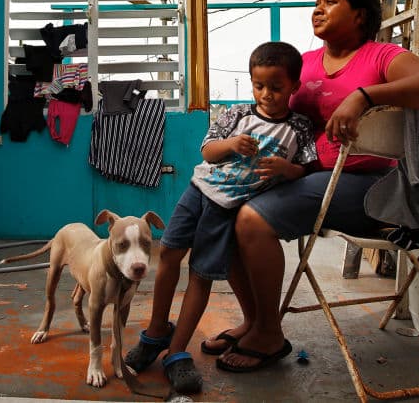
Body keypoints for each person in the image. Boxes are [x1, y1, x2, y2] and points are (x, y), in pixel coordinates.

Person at [211, 0, 419, 373]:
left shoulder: (381, 57)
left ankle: (270, 334)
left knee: (251, 219)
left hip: (368, 186)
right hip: (304, 178)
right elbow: (266, 110)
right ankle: (253, 321)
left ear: (359, 14)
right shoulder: (303, 64)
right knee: (225, 207)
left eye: (329, 1)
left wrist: (365, 96)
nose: (317, 9)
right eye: (317, 1)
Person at [123, 41, 318, 393]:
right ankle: (155, 332)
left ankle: (177, 352)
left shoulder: (300, 128)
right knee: (168, 254)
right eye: (259, 85)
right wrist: (231, 145)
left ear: (294, 86)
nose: (266, 94)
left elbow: (307, 169)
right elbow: (208, 151)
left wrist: (287, 169)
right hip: (198, 191)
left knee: (201, 275)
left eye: (276, 87)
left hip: (227, 209)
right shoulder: (237, 114)